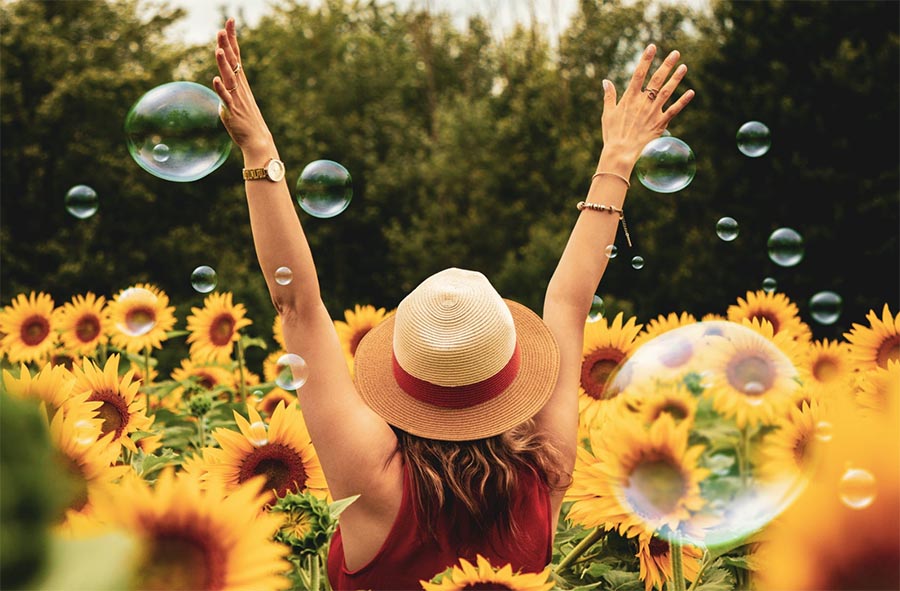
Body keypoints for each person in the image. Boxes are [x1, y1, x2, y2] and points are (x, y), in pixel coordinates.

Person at [212, 17, 693, 591]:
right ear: (509, 374)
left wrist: (259, 149)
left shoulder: (373, 480)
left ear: (404, 372)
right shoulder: (545, 471)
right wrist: (616, 160)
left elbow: (297, 306)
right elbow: (567, 302)